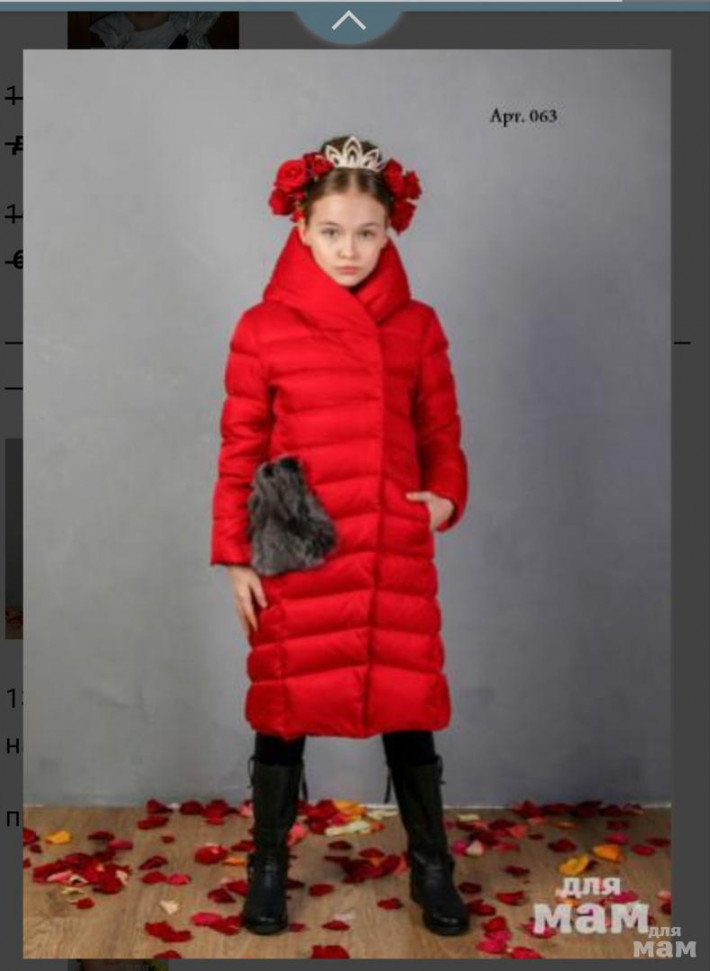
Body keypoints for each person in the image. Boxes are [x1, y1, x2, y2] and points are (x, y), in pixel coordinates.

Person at [210, 135, 470, 937]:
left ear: (391, 231)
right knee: (284, 703)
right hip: (296, 538)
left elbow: (441, 429)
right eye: (331, 231)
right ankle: (267, 865)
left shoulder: (417, 325)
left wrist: (443, 498)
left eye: (366, 232)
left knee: (406, 700)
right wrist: (235, 555)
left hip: (390, 537)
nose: (349, 249)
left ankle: (432, 865)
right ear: (301, 227)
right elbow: (240, 446)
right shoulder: (263, 327)